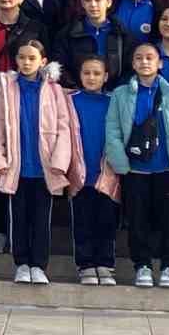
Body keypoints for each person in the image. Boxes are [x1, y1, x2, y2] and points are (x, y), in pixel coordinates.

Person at [0, 39, 83, 285]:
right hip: (16, 168)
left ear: (42, 61)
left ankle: (39, 265)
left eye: (32, 58)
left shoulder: (53, 90)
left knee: (41, 220)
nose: (26, 62)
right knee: (18, 218)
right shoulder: (7, 88)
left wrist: (59, 163)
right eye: (22, 57)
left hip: (44, 169)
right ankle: (21, 263)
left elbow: (63, 127)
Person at [105, 42, 169, 288]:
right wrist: (120, 163)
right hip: (135, 170)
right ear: (133, 63)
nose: (144, 62)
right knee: (137, 220)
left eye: (150, 57)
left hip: (167, 168)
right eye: (139, 58)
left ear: (159, 63)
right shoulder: (120, 95)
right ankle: (142, 265)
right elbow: (113, 131)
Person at [68, 55, 120, 286]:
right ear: (79, 75)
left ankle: (105, 264)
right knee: (82, 220)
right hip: (80, 173)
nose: (91, 77)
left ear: (106, 77)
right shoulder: (70, 100)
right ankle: (86, 264)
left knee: (107, 220)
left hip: (107, 174)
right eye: (87, 73)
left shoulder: (114, 101)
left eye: (97, 73)